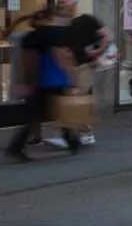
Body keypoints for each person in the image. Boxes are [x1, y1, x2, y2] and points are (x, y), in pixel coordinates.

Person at [7, 9, 79, 159]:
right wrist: (71, 75)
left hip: (38, 80)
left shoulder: (30, 36)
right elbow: (61, 56)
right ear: (50, 18)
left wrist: (24, 81)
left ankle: (71, 140)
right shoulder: (53, 34)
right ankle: (72, 140)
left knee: (36, 114)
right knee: (57, 111)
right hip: (52, 79)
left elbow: (26, 62)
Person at [60, 0, 109, 145]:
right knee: (70, 99)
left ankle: (86, 131)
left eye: (64, 1)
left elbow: (106, 37)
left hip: (83, 66)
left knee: (79, 98)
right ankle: (73, 133)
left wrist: (97, 52)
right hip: (67, 67)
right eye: (59, 2)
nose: (61, 4)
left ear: (73, 3)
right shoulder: (63, 24)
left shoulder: (86, 20)